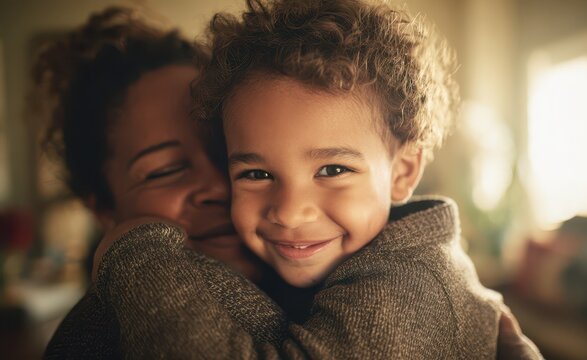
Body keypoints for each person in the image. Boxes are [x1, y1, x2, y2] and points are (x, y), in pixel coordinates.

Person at [90, 0, 543, 358]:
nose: (288, 210)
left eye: (332, 169)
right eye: (256, 173)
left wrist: (135, 253)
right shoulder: (334, 264)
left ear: (404, 172)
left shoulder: (410, 288)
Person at [35, 7, 267, 358]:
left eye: (227, 150)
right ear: (103, 209)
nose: (219, 186)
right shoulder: (91, 339)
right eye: (163, 171)